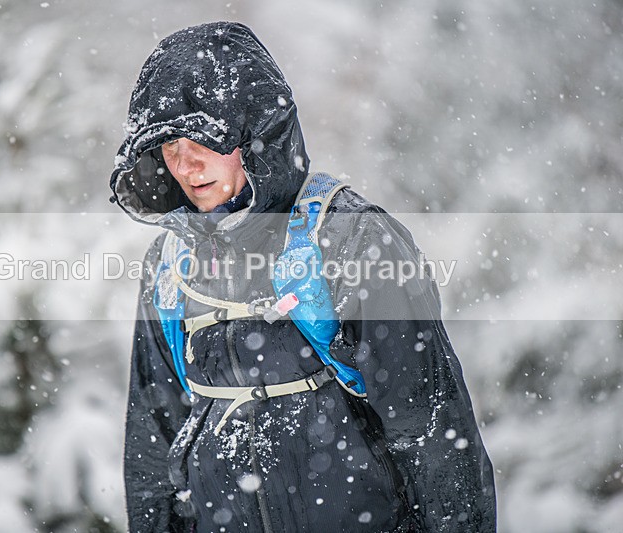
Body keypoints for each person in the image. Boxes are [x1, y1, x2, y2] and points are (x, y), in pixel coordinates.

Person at [109, 21, 496, 532]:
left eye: (203, 139)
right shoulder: (169, 267)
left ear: (254, 132)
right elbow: (152, 450)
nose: (186, 164)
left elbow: (431, 435)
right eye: (169, 145)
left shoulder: (350, 239)